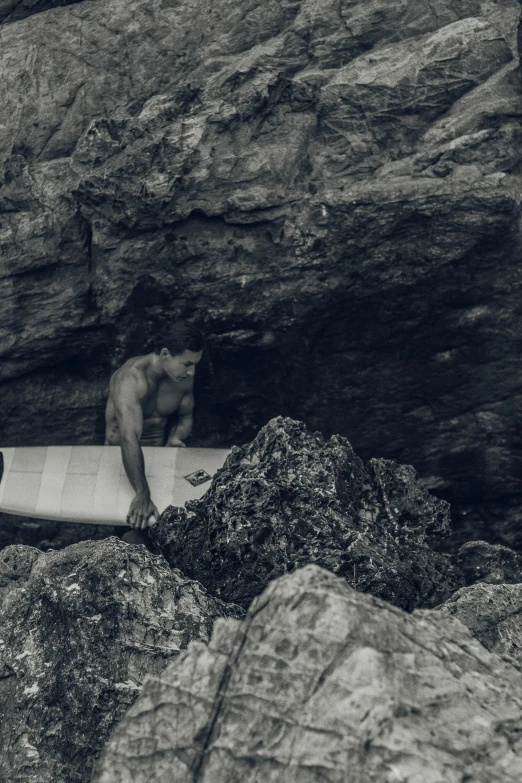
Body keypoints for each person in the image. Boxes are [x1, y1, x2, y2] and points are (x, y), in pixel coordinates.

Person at [104, 322, 204, 546]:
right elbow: (128, 437)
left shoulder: (184, 378)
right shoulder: (130, 379)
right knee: (138, 545)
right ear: (166, 354)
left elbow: (185, 416)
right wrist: (142, 493)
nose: (192, 371)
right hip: (123, 465)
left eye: (195, 364)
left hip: (160, 462)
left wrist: (176, 438)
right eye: (187, 363)